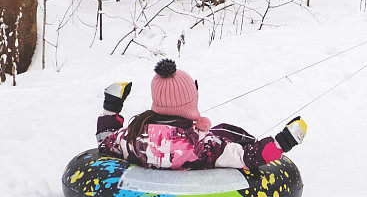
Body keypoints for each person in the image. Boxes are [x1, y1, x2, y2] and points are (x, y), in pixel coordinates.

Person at [96, 59, 306, 170]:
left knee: (223, 131)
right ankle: (253, 139)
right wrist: (284, 142)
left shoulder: (131, 136)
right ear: (189, 102)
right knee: (227, 131)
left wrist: (111, 106)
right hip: (201, 153)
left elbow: (105, 141)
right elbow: (248, 158)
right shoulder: (203, 144)